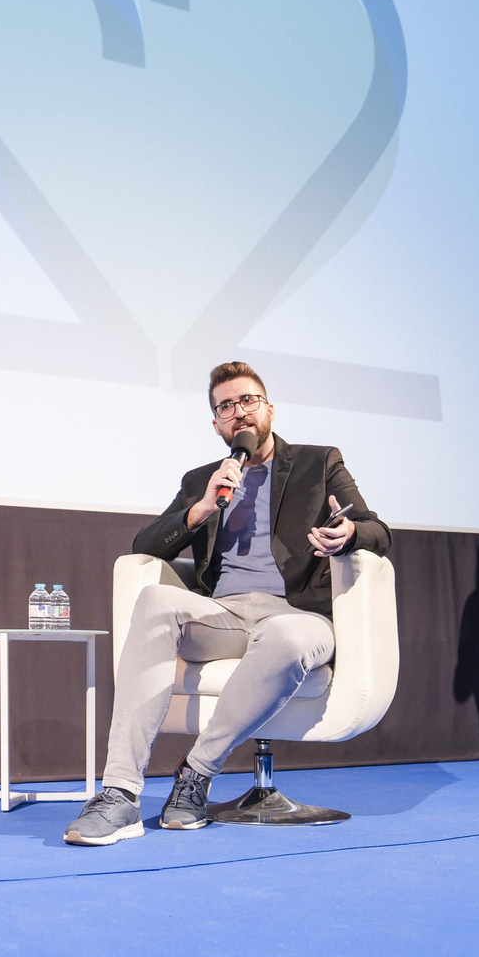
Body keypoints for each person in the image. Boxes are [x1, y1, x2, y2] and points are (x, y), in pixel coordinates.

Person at [65, 361, 390, 845]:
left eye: (248, 401)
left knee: (286, 636)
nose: (239, 412)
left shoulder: (318, 462)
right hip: (226, 614)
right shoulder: (203, 478)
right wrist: (199, 509)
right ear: (217, 424)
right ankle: (120, 794)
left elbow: (377, 529)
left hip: (298, 616)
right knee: (155, 598)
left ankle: (196, 774)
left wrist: (348, 534)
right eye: (226, 407)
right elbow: (145, 545)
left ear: (269, 410)